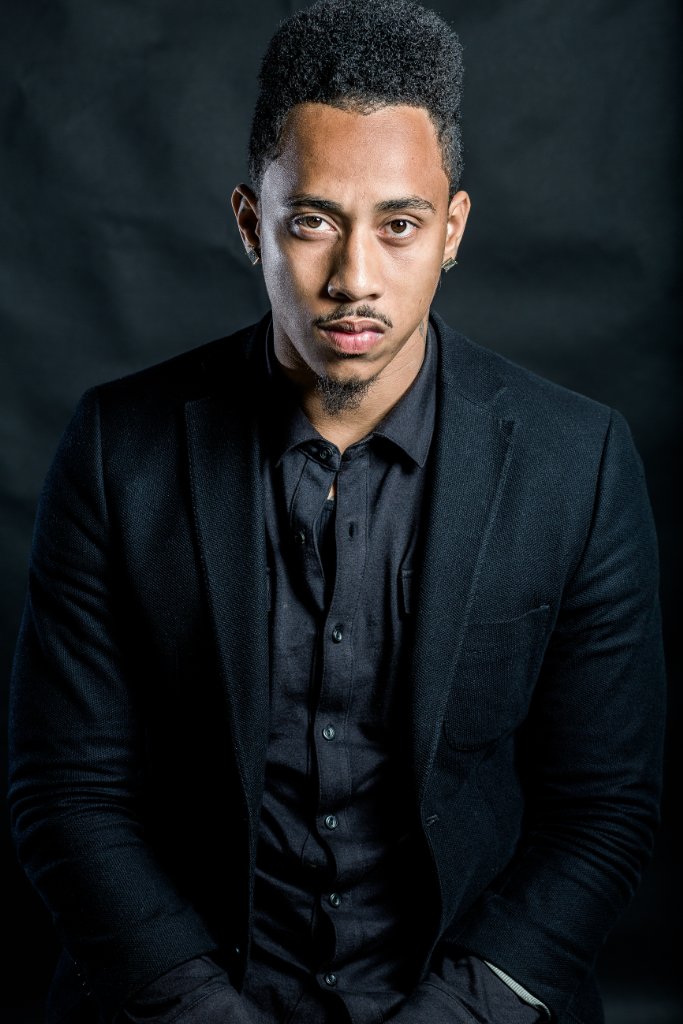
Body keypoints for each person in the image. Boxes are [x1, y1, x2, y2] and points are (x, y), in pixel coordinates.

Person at [7, 1, 666, 1022]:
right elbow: (68, 792)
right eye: (312, 221)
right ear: (249, 224)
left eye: (398, 226)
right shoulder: (115, 449)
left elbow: (601, 812)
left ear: (450, 232)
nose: (354, 279)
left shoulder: (575, 461)